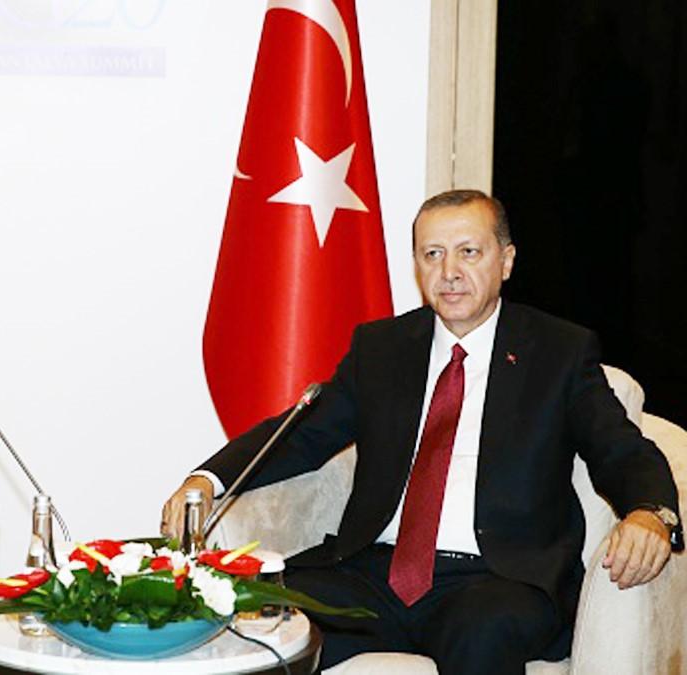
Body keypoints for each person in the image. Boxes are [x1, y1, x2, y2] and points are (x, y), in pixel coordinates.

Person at [162, 190, 682, 674]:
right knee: (255, 618)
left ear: (506, 261)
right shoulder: (383, 348)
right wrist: (209, 479)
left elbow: (620, 448)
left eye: (469, 252)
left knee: (483, 631)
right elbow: (303, 435)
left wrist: (651, 513)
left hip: (494, 580)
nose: (449, 272)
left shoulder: (558, 353)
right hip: (372, 576)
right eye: (432, 255)